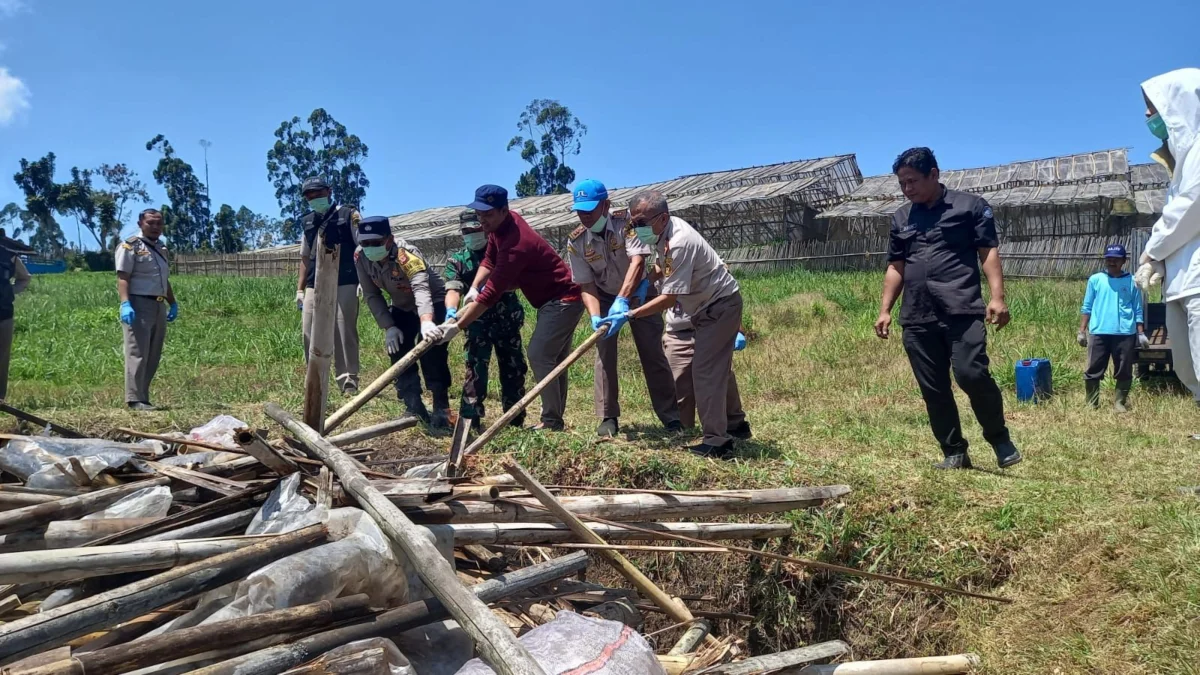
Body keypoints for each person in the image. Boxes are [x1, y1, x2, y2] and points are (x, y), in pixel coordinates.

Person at [874, 147, 1021, 470]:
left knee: (971, 374)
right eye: (902, 183)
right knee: (933, 387)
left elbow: (988, 253)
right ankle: (954, 451)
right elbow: (896, 266)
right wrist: (885, 309)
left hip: (961, 309)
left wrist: (997, 298)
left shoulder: (970, 207)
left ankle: (999, 438)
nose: (907, 189)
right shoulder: (901, 218)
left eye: (912, 181)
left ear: (934, 174)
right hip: (917, 315)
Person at [599, 190, 743, 458]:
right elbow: (662, 266)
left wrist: (631, 314)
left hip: (719, 306)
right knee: (711, 370)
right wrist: (646, 282)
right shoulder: (664, 232)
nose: (636, 229)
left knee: (705, 372)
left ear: (662, 217)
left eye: (641, 223)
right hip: (704, 308)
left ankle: (717, 442)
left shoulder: (680, 241)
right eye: (633, 222)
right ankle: (736, 425)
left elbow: (669, 298)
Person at [432, 185, 583, 431]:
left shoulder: (516, 244)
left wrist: (459, 326)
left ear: (504, 210)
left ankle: (551, 421)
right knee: (553, 360)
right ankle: (554, 420)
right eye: (479, 213)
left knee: (539, 355)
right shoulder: (502, 226)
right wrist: (474, 287)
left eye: (488, 214)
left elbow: (492, 294)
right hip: (549, 300)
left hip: (563, 299)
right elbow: (489, 259)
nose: (482, 220)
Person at [567, 179, 681, 437]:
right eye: (579, 211)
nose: (584, 216)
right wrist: (596, 315)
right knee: (604, 355)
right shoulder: (576, 241)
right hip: (605, 297)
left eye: (590, 209)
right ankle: (608, 416)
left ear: (606, 205)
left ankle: (671, 416)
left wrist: (625, 299)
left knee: (652, 352)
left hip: (639, 291)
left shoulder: (627, 224)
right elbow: (586, 284)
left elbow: (638, 261)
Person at [1134, 68, 1200, 407]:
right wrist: (1160, 259)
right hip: (1182, 283)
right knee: (1189, 370)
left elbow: (1191, 207)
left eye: (1153, 105)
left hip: (1197, 280)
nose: (1147, 114)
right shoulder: (1183, 159)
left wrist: (1151, 252)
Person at [354, 216, 453, 428]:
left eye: (376, 243)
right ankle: (413, 406)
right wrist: (389, 326)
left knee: (431, 349)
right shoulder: (360, 257)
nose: (369, 248)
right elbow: (372, 294)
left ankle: (441, 408)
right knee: (398, 350)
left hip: (432, 301)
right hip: (401, 305)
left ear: (389, 240)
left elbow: (421, 289)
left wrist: (427, 322)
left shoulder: (407, 255)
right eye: (365, 243)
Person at [443, 209, 528, 430]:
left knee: (514, 370)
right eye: (466, 231)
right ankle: (471, 422)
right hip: (476, 325)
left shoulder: (502, 251)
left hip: (506, 320)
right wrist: (451, 311)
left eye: (476, 229)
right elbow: (453, 288)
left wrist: (489, 290)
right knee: (475, 372)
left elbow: (520, 280)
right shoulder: (458, 260)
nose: (472, 234)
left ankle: (514, 421)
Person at [296, 177, 362, 395]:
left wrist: (363, 280)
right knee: (309, 329)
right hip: (315, 283)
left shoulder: (348, 215)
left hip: (345, 280)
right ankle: (314, 378)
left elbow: (361, 248)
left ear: (329, 191)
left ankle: (348, 379)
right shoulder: (307, 221)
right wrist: (300, 289)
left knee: (344, 330)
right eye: (309, 195)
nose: (314, 198)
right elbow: (305, 258)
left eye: (318, 193)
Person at [116, 209, 177, 411]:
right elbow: (123, 277)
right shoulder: (130, 246)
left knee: (153, 353)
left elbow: (163, 280)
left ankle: (143, 397)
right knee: (137, 352)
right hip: (138, 303)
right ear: (141, 223)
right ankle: (133, 399)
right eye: (151, 223)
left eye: (159, 223)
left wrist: (172, 302)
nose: (155, 227)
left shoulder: (161, 247)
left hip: (158, 303)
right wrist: (125, 303)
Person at [660, 299, 751, 437]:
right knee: (677, 383)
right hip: (677, 334)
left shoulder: (712, 276)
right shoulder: (663, 277)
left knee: (720, 378)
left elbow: (727, 299)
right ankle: (683, 429)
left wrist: (738, 329)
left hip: (711, 329)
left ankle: (735, 425)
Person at [1078, 245, 1147, 411]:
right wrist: (1081, 331)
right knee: (1093, 368)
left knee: (1124, 368)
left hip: (1125, 332)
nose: (1112, 261)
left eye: (1116, 259)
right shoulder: (1096, 279)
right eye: (1109, 258)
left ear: (1124, 261)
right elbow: (1087, 306)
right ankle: (1092, 402)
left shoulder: (1132, 281)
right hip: (1099, 331)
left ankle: (1119, 402)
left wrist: (1141, 333)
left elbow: (1137, 308)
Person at [0, 238, 31, 400]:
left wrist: (11, 291)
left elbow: (25, 278)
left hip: (4, 314)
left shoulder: (9, 255)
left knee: (2, 359)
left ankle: (0, 399)